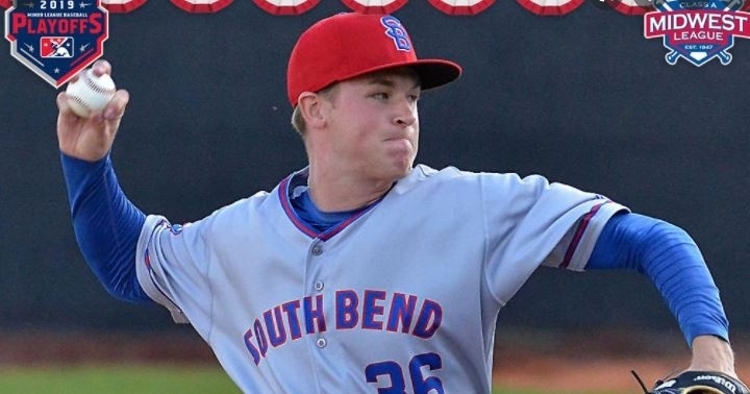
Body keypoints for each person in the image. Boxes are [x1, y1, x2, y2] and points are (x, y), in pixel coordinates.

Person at [56, 12, 744, 393]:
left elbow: (655, 240)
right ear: (314, 110)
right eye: (380, 95)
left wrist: (714, 357)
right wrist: (86, 164)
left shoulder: (472, 208)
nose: (404, 114)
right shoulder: (234, 241)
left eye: (411, 97)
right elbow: (128, 264)